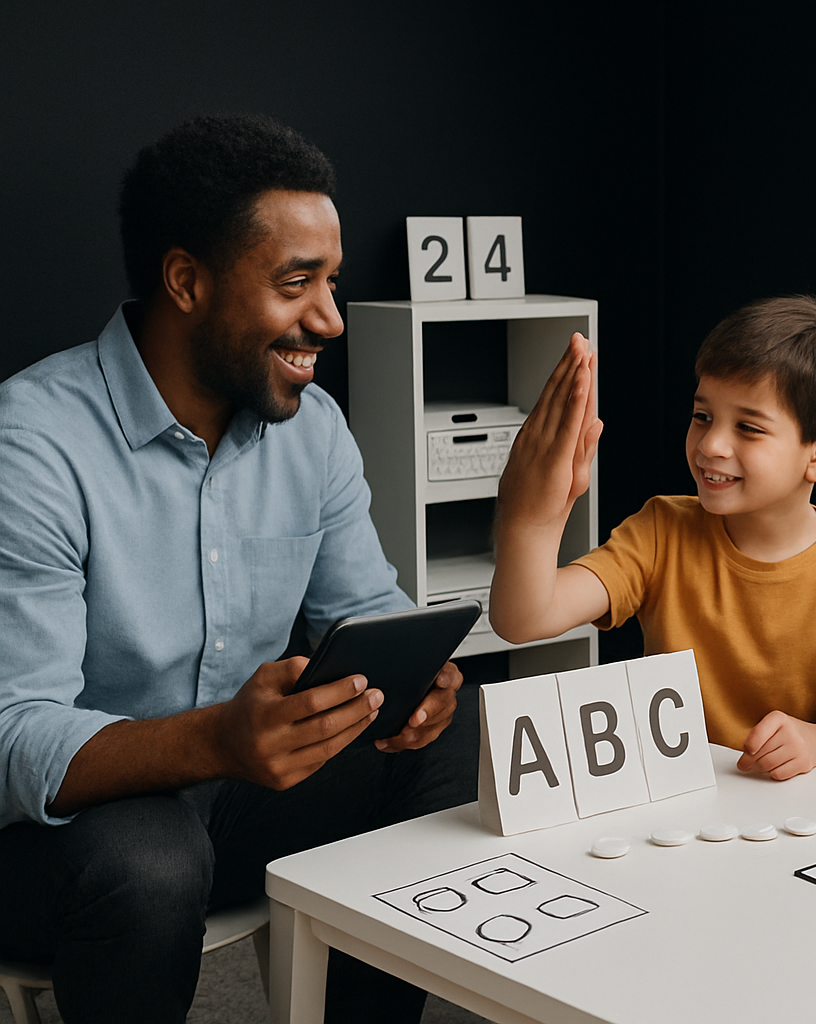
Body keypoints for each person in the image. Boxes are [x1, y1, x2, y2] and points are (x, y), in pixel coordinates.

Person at [0, 115, 476, 1024]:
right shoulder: (31, 443)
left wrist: (419, 686)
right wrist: (216, 741)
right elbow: (14, 739)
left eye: (332, 282)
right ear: (187, 281)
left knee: (460, 735)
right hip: (60, 836)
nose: (330, 319)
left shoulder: (314, 430)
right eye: (298, 283)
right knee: (150, 854)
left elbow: (368, 612)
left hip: (237, 794)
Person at [490, 296, 816, 779]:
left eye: (748, 427)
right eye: (702, 416)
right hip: (676, 804)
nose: (710, 445)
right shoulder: (661, 530)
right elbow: (523, 620)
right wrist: (531, 518)